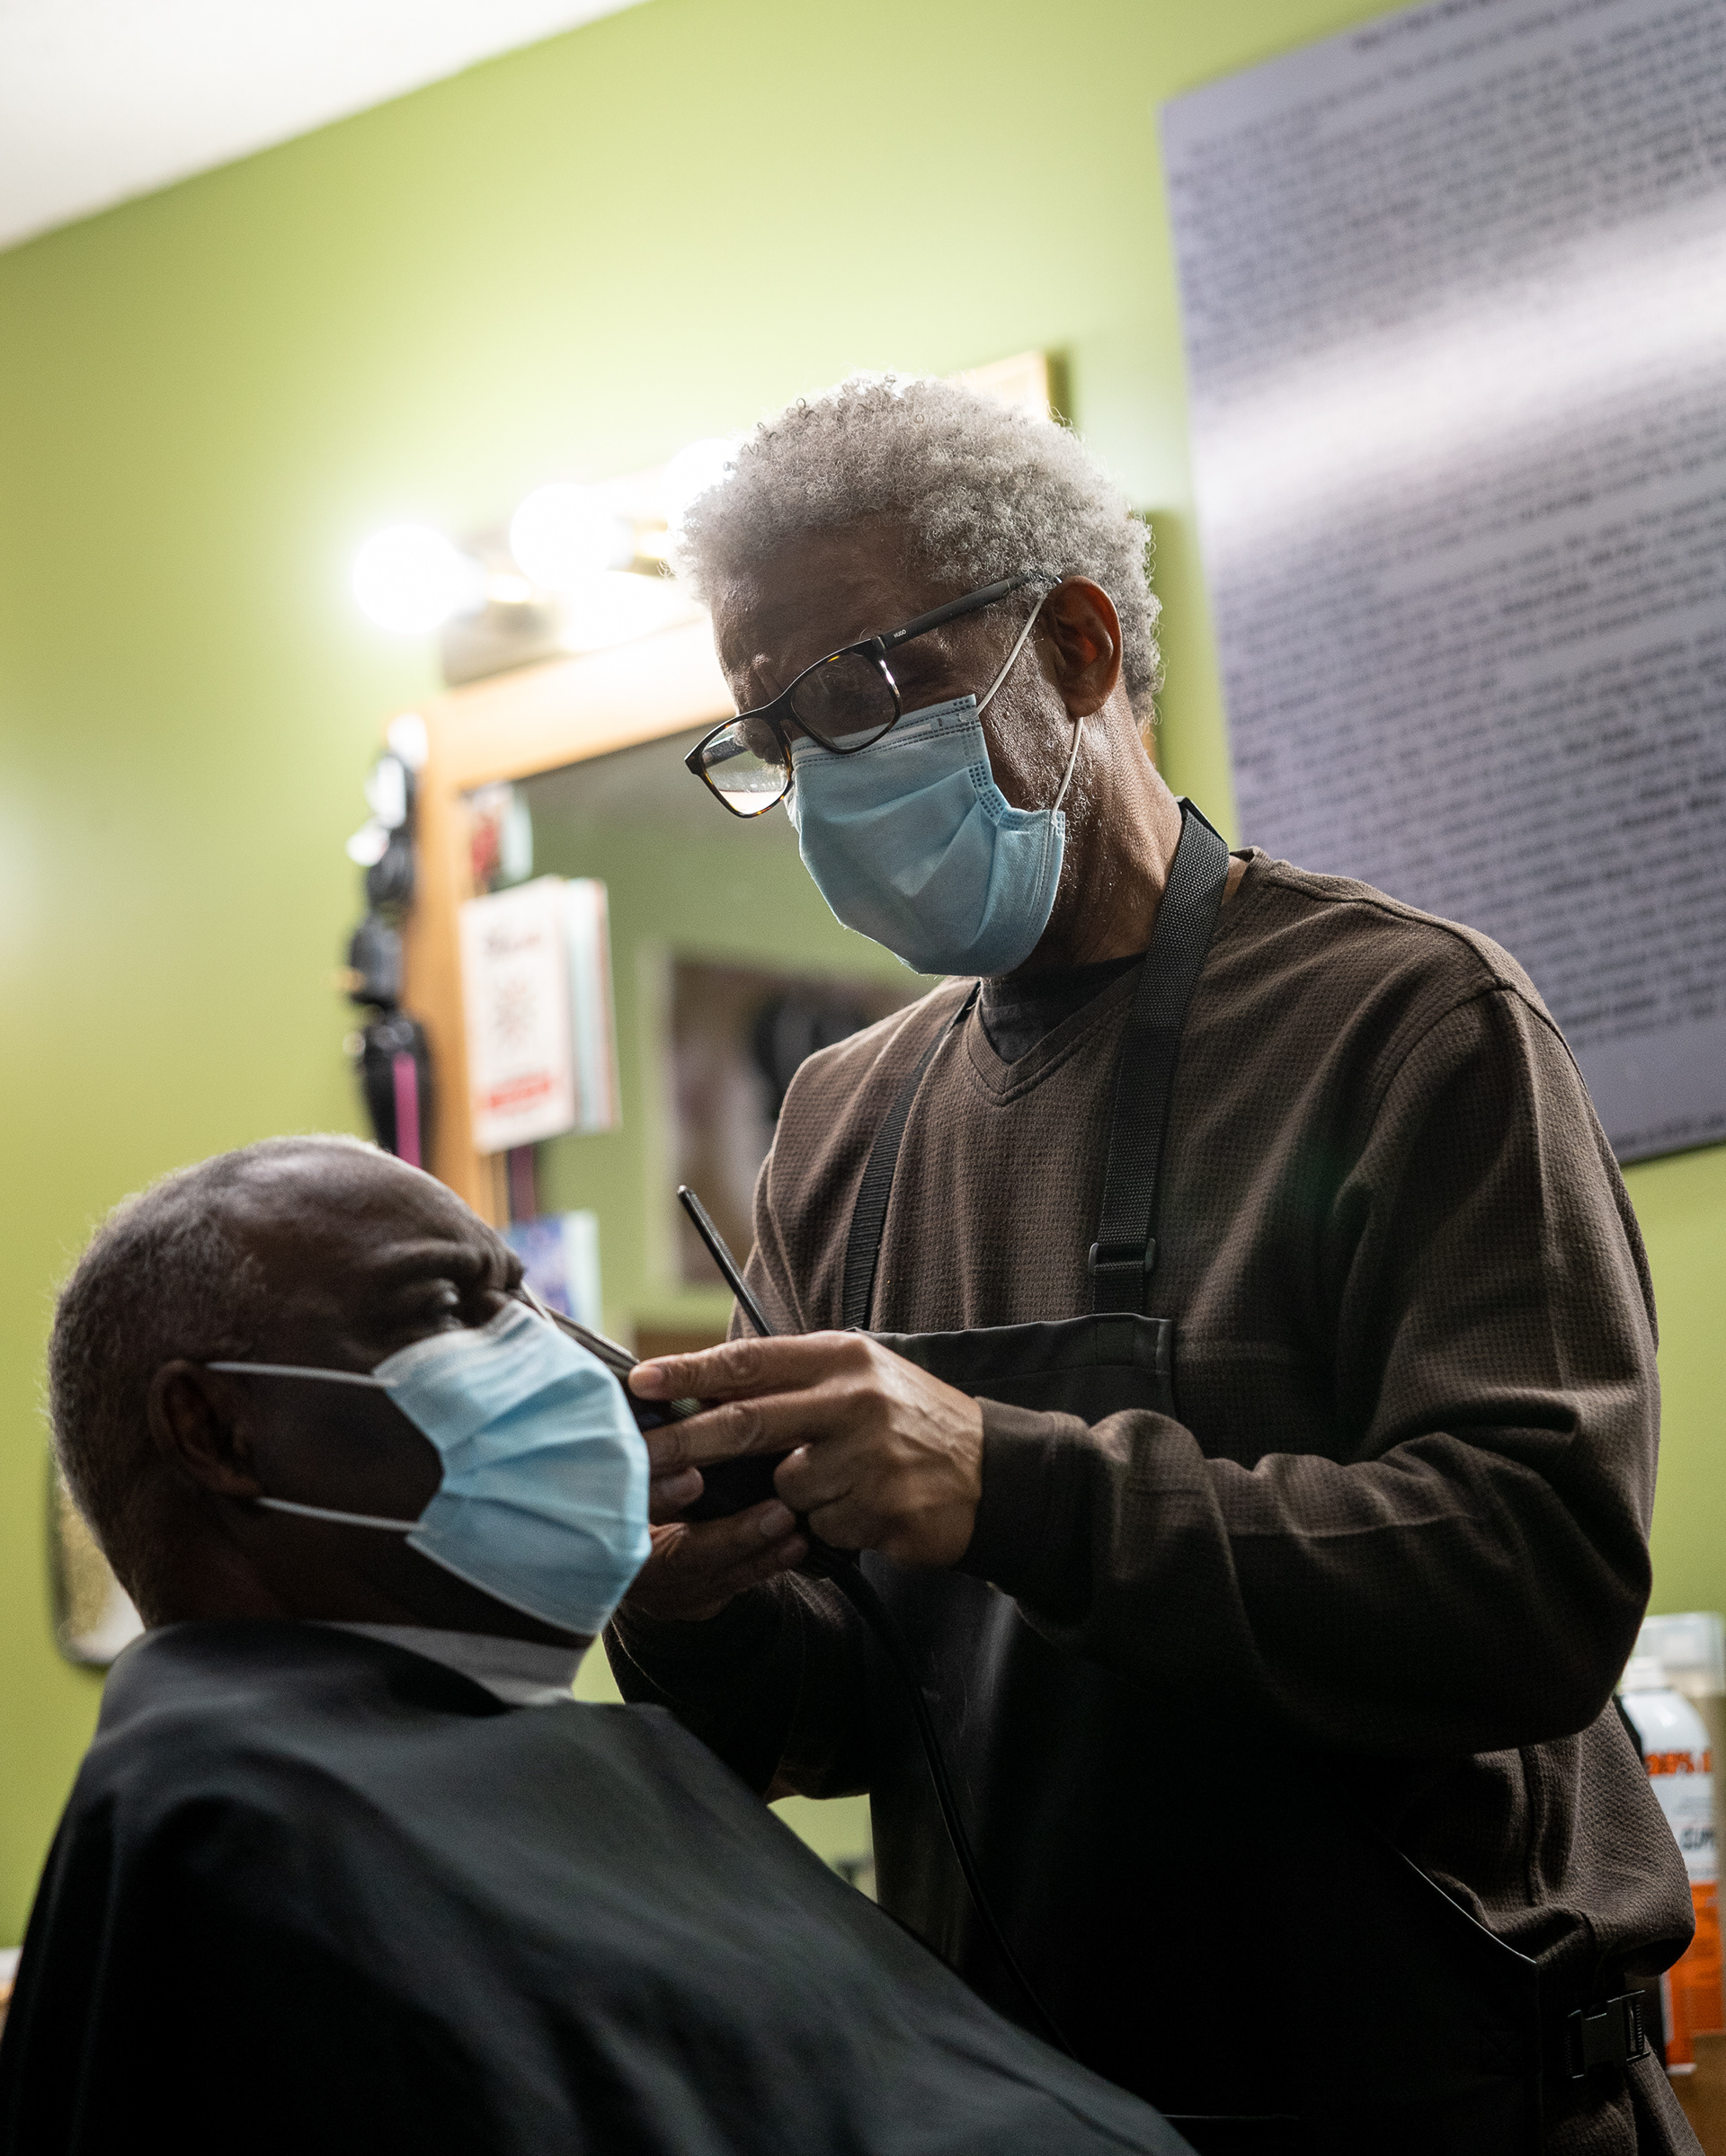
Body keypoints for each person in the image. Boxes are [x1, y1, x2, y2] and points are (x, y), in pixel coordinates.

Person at [605, 376, 1699, 2156]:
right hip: (1034, 2116)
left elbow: (1534, 1592)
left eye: (867, 686)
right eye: (775, 734)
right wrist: (689, 1600)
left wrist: (1003, 1480)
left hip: (1449, 2101)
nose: (824, 777)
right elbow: (854, 1714)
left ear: (1083, 645)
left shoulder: (1406, 1024)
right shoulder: (843, 1124)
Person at [0, 1135, 1192, 2156]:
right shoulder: (247, 1849)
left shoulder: (501, 1774)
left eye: (528, 1302)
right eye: (458, 1311)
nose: (578, 1364)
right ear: (217, 1430)